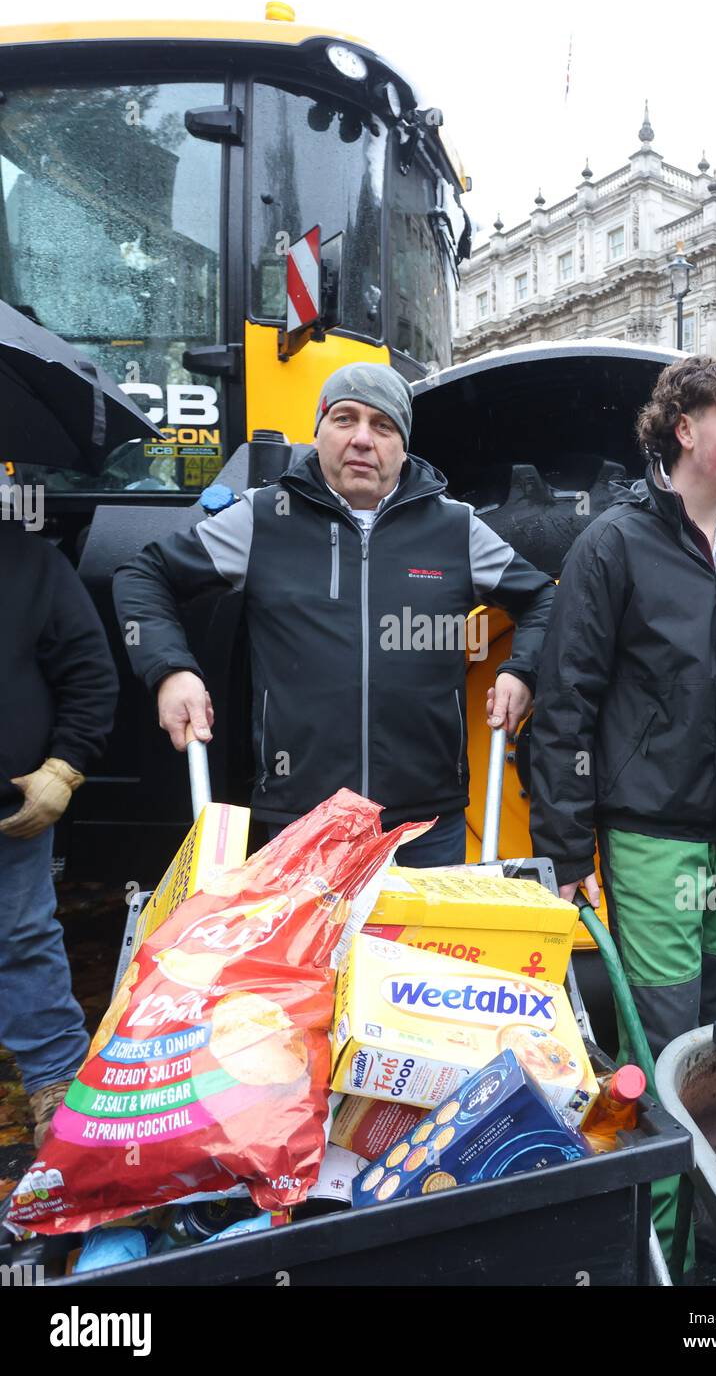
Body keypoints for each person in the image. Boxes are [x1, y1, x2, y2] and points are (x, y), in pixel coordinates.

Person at [113, 363, 554, 864]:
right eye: (345, 419)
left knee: (419, 948)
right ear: (319, 431)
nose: (362, 439)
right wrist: (170, 670)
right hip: (299, 826)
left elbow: (544, 599)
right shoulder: (263, 518)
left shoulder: (455, 528)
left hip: (425, 829)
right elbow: (142, 574)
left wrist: (522, 670)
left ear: (403, 444)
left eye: (382, 425)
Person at [531, 356, 716, 1058]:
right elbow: (567, 700)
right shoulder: (614, 544)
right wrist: (565, 849)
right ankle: (655, 1172)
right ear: (685, 430)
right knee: (664, 1031)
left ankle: (710, 1168)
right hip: (654, 836)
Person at [0, 520, 118, 1148]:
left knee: (22, 941)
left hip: (8, 811)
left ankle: (53, 1080)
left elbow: (89, 672)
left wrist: (64, 767)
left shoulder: (29, 562)